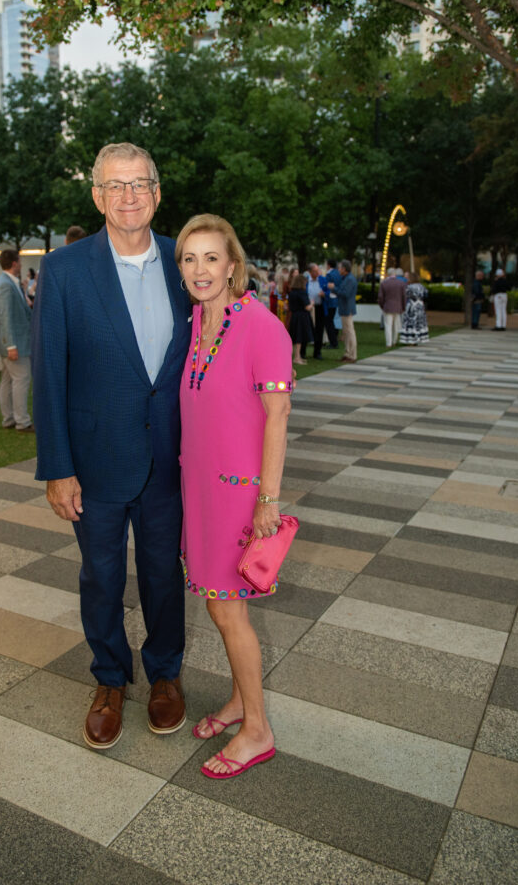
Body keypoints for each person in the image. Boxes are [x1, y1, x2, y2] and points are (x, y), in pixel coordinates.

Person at [32, 142, 192, 750]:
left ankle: (165, 675)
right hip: (93, 461)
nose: (129, 197)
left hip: (170, 460)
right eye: (115, 186)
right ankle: (108, 679)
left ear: (157, 192)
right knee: (100, 577)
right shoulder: (66, 268)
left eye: (140, 184)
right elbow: (50, 373)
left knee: (161, 576)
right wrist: (58, 466)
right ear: (97, 196)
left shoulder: (186, 261)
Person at [176, 213, 292, 779]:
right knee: (221, 609)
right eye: (189, 259)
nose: (200, 269)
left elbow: (278, 414)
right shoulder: (198, 319)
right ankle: (241, 702)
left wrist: (267, 500)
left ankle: (258, 730)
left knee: (228, 612)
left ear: (232, 264)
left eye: (211, 258)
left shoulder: (261, 325)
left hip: (238, 494)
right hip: (198, 488)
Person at [0, 249, 34, 433]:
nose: (22, 264)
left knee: (8, 380)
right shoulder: (5, 285)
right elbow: (5, 317)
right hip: (14, 342)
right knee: (21, 379)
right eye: (20, 261)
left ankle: (9, 418)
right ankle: (22, 421)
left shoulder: (9, 283)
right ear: (14, 263)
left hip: (13, 341)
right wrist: (11, 345)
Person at [330, 259, 357, 363]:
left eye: (340, 268)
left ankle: (352, 354)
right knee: (346, 332)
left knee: (349, 332)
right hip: (344, 308)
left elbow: (345, 293)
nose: (339, 270)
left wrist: (334, 288)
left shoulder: (349, 279)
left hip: (347, 308)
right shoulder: (346, 278)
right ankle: (347, 352)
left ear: (344, 269)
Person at [287, 272, 313, 365]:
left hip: (294, 316)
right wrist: (312, 303)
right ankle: (297, 357)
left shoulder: (292, 292)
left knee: (296, 336)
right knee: (300, 337)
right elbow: (307, 307)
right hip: (302, 316)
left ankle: (297, 356)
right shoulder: (302, 293)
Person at [378, 267, 407, 348]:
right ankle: (394, 341)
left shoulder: (384, 283)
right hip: (398, 307)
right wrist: (403, 306)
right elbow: (404, 296)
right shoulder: (401, 283)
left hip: (387, 307)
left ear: (388, 274)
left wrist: (382, 305)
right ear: (395, 274)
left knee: (388, 325)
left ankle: (389, 343)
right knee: (396, 325)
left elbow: (380, 297)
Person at [399, 273, 429, 345]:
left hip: (412, 305)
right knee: (419, 323)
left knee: (411, 323)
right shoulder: (422, 287)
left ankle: (411, 339)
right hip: (420, 306)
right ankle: (419, 338)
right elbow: (426, 295)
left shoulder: (409, 287)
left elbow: (406, 295)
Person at [306, 263, 325, 359]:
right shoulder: (306, 281)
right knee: (307, 328)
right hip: (308, 307)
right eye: (315, 271)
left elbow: (328, 292)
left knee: (319, 329)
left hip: (319, 307)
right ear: (310, 272)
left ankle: (317, 352)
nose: (317, 272)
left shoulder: (322, 280)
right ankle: (302, 352)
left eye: (318, 270)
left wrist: (324, 294)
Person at [319, 259, 340, 349]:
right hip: (336, 301)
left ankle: (333, 342)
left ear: (328, 265)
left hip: (330, 301)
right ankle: (334, 340)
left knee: (328, 322)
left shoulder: (329, 275)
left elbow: (326, 287)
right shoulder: (338, 273)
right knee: (331, 321)